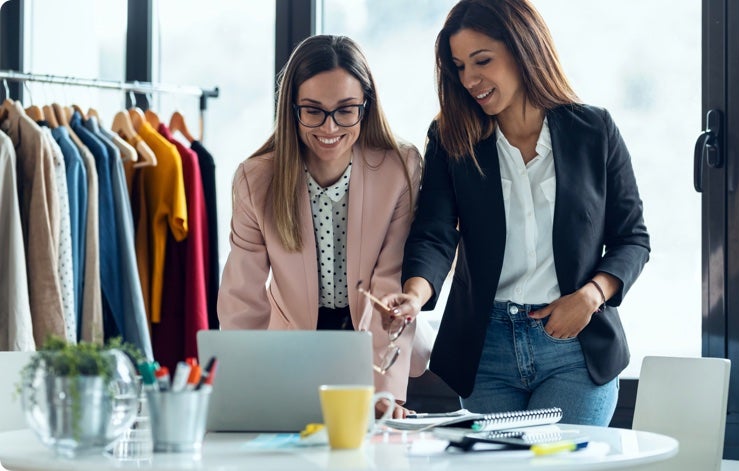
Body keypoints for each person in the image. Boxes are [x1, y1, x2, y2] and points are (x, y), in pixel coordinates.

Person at [381, 0, 650, 426]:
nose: (470, 79)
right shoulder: (452, 138)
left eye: (482, 60)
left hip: (573, 346)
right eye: (459, 67)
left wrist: (591, 296)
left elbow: (632, 238)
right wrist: (415, 295)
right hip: (485, 351)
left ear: (522, 47)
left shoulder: (593, 131)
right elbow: (434, 231)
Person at [217, 35, 426, 418]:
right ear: (291, 109)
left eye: (346, 110)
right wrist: (240, 389)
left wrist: (387, 394)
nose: (329, 127)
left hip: (373, 341)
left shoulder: (400, 168)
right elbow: (242, 300)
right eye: (312, 111)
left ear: (366, 107)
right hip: (292, 347)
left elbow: (390, 284)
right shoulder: (254, 180)